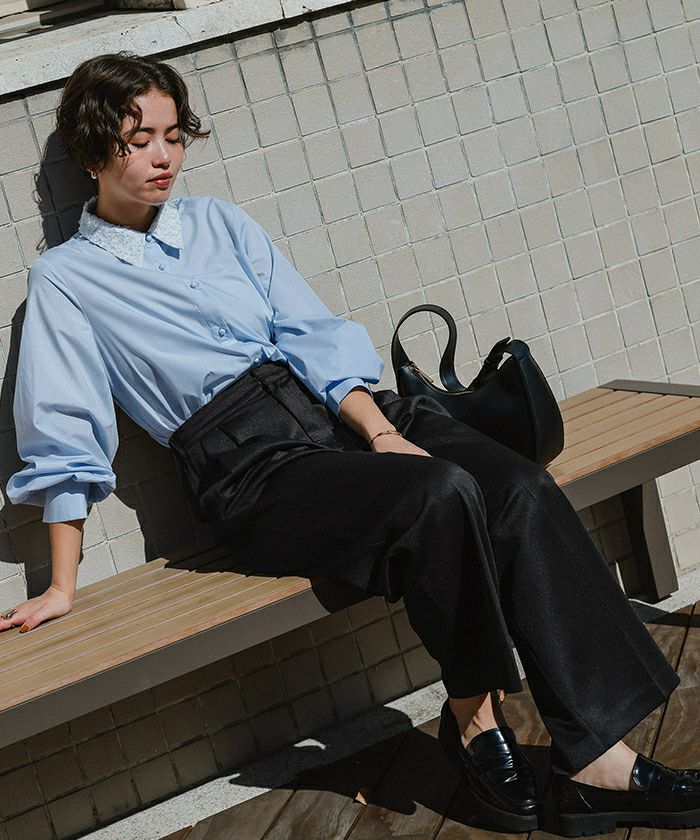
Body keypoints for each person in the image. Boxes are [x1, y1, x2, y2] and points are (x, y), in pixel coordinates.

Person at [1, 50, 698, 837]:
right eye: (139, 141)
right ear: (93, 153)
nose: (163, 157)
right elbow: (65, 428)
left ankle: (598, 761)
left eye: (173, 136)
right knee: (439, 495)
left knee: (519, 490)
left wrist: (380, 430)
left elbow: (309, 331)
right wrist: (60, 585)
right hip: (253, 467)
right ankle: (474, 717)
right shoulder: (67, 281)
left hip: (344, 410)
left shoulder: (219, 223)